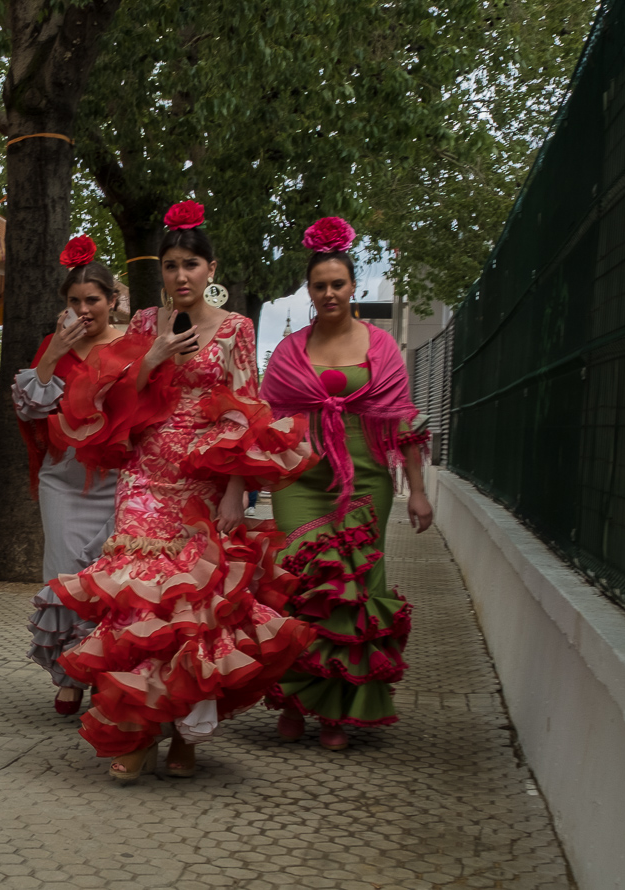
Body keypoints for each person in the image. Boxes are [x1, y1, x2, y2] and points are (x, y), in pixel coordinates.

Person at [47, 201, 316, 782]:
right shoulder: (147, 322)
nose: (180, 275)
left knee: (192, 606)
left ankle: (186, 734)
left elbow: (246, 409)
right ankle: (140, 731)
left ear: (210, 269)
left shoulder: (237, 328)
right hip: (144, 471)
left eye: (190, 264)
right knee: (139, 601)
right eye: (170, 265)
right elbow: (116, 394)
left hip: (204, 475)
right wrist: (154, 358)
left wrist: (235, 490)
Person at [260, 216, 433, 751]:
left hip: (366, 482)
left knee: (352, 592)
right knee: (302, 585)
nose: (330, 293)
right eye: (320, 285)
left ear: (354, 286)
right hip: (300, 482)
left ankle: (334, 711)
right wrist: (239, 488)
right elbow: (265, 423)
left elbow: (402, 419)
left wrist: (418, 490)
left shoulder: (382, 347)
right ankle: (296, 700)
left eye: (338, 283)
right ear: (309, 291)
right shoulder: (289, 351)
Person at [13, 235, 124, 715]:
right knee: (65, 577)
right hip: (63, 479)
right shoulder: (54, 346)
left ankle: (101, 673)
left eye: (92, 299)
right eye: (74, 301)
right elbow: (30, 407)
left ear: (112, 301)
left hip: (118, 480)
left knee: (107, 579)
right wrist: (54, 350)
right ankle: (69, 676)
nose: (83, 309)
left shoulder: (133, 347)